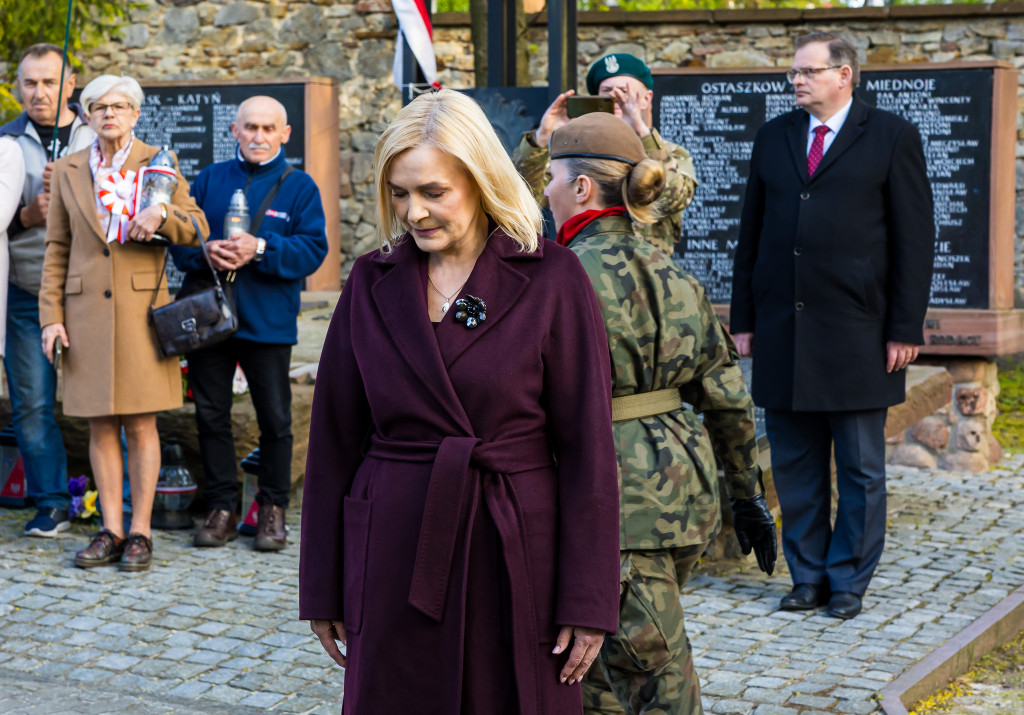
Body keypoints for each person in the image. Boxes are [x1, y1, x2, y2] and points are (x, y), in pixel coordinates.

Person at [299, 89, 621, 714]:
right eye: (399, 193)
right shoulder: (370, 281)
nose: (414, 212)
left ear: (479, 180)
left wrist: (588, 598)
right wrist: (324, 585)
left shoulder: (552, 277)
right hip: (392, 547)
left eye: (433, 192)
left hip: (514, 546)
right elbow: (333, 441)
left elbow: (589, 450)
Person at [544, 112, 777, 715]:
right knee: (596, 670)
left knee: (652, 674)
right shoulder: (675, 273)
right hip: (682, 492)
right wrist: (746, 494)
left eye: (549, 178)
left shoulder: (559, 277)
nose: (544, 191)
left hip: (616, 503)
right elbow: (727, 397)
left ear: (581, 188)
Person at [730, 32, 934, 620]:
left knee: (860, 468)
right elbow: (751, 234)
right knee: (795, 464)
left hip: (858, 332)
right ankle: (808, 576)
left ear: (844, 75)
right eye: (794, 72)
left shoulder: (892, 136)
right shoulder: (774, 137)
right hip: (783, 331)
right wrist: (744, 319)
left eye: (808, 71)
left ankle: (848, 580)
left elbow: (915, 239)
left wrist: (904, 327)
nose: (796, 80)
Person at [39, 74, 208, 571]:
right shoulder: (67, 170)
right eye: (99, 107)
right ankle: (110, 529)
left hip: (141, 314)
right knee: (100, 423)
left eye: (119, 106)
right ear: (87, 116)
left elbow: (197, 226)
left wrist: (161, 215)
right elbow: (56, 248)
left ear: (135, 114)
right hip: (84, 314)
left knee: (140, 422)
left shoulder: (158, 161)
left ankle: (141, 532)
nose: (109, 114)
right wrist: (51, 317)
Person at [169, 96, 328, 552]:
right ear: (234, 131)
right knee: (211, 416)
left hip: (267, 321)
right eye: (250, 127)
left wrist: (260, 248)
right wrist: (205, 251)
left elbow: (313, 250)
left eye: (268, 128)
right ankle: (221, 507)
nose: (259, 136)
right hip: (210, 321)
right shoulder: (210, 179)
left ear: (285, 134)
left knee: (275, 419)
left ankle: (272, 508)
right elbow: (180, 242)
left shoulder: (300, 187)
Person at [0, 43, 95, 537]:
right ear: (17, 86)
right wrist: (28, 215)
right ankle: (52, 503)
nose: (39, 92)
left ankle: (118, 505)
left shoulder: (96, 134)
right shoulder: (4, 141)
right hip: (26, 289)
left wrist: (74, 194)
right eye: (30, 82)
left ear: (70, 84)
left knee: (104, 400)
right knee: (32, 404)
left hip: (88, 291)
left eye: (50, 82)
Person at [514, 52, 697, 256]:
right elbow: (529, 195)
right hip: (587, 261)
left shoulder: (670, 153)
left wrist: (640, 130)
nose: (614, 98)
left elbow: (672, 198)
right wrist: (542, 137)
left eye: (624, 92)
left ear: (646, 99)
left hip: (648, 265)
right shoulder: (580, 152)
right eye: (607, 92)